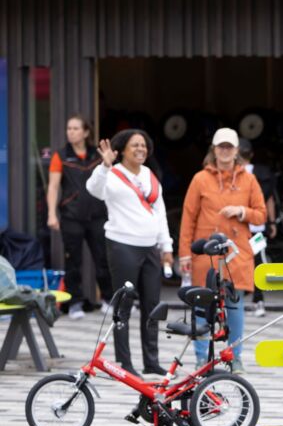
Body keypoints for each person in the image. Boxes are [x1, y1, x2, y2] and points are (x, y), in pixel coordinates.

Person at [86, 129, 174, 378]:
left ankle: (151, 361)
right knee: (124, 304)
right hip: (122, 245)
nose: (140, 149)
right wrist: (104, 165)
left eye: (144, 146)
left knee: (152, 305)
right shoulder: (111, 174)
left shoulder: (150, 176)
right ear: (122, 149)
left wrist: (166, 246)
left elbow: (160, 213)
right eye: (135, 145)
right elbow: (94, 190)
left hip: (150, 248)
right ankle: (124, 363)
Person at [178, 127, 267, 373]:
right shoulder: (200, 179)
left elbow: (261, 214)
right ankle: (200, 358)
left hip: (236, 253)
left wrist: (242, 211)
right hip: (205, 252)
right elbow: (188, 217)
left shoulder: (249, 179)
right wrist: (185, 252)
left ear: (237, 150)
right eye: (221, 147)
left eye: (229, 147)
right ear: (214, 150)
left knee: (235, 306)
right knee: (201, 305)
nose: (225, 151)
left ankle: (235, 356)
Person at [46, 115, 113, 319]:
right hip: (71, 215)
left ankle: (108, 300)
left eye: (76, 128)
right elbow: (53, 186)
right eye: (69, 128)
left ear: (85, 132)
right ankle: (74, 303)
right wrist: (51, 214)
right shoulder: (61, 155)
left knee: (102, 258)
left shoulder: (97, 154)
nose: (71, 132)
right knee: (73, 260)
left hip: (97, 214)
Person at [237, 138, 277, 318]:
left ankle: (236, 301)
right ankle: (259, 301)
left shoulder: (234, 174)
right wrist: (272, 222)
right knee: (259, 262)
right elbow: (269, 200)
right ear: (252, 154)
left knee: (236, 262)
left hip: (238, 227)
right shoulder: (263, 175)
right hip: (258, 226)